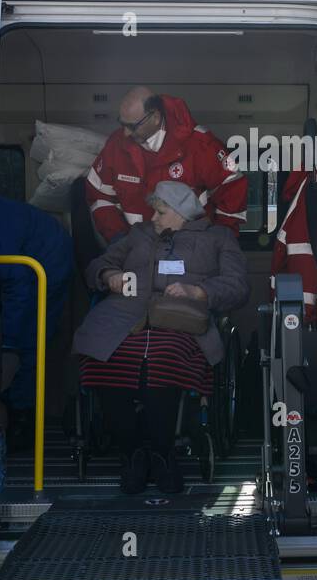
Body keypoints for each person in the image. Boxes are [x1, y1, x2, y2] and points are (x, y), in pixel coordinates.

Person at [74, 181, 248, 494]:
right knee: (104, 359)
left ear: (182, 213)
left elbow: (237, 286)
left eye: (161, 211)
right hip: (125, 315)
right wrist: (108, 276)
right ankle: (132, 453)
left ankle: (162, 453)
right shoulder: (139, 234)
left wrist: (199, 291)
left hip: (181, 320)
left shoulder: (218, 237)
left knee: (162, 361)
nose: (153, 218)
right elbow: (100, 264)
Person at [85, 87, 246, 243]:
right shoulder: (116, 145)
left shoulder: (200, 146)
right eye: (122, 123)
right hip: (136, 250)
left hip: (192, 252)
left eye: (132, 126)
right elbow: (99, 195)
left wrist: (219, 241)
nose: (126, 132)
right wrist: (118, 239)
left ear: (155, 117)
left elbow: (233, 188)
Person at [0, 196, 74, 453]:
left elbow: (17, 287)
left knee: (28, 340)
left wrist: (9, 345)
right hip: (24, 255)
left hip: (47, 261)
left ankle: (22, 419)